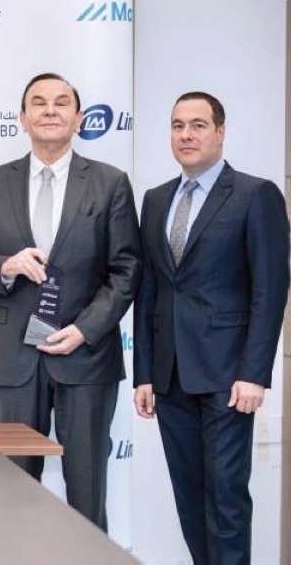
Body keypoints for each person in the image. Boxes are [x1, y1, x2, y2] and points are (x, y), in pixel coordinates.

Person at [0, 73, 140, 530]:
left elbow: (126, 269)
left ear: (78, 119)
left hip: (86, 357)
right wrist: (7, 265)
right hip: (13, 361)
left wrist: (85, 329)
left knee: (87, 492)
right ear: (22, 118)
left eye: (61, 102)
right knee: (14, 493)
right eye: (38, 102)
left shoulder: (110, 183)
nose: (50, 110)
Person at [133, 92, 289, 564]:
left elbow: (269, 291)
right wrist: (145, 373)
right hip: (170, 376)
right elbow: (150, 290)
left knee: (225, 498)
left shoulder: (255, 194)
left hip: (228, 377)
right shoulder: (156, 199)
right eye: (178, 125)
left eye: (198, 125)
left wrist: (255, 374)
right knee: (190, 498)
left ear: (220, 133)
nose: (187, 135)